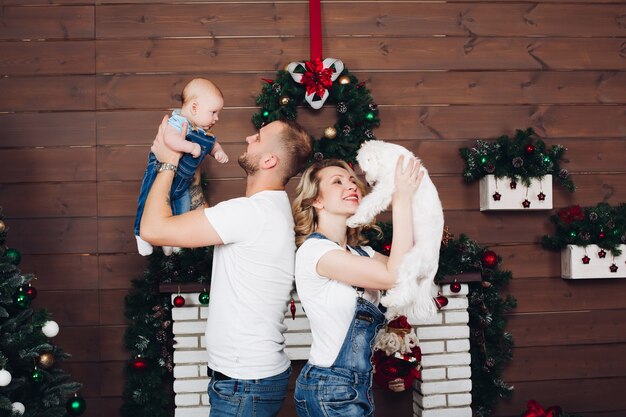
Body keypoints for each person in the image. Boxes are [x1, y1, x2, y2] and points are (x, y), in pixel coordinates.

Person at [140, 116, 313, 417]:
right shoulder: (268, 208)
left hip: (244, 384)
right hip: (250, 380)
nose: (248, 139)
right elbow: (204, 219)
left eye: (257, 138)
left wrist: (166, 163)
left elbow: (152, 229)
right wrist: (190, 173)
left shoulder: (251, 213)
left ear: (270, 160)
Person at [291, 157, 423, 417]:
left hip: (357, 385)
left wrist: (413, 203)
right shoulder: (314, 251)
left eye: (353, 181)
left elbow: (410, 272)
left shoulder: (361, 253)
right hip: (329, 388)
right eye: (337, 182)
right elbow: (392, 277)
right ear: (317, 200)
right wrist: (401, 201)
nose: (350, 186)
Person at [134, 78, 229, 256]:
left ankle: (173, 239)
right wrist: (190, 147)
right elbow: (170, 139)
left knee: (182, 207)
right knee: (147, 200)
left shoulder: (202, 130)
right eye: (213, 112)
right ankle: (140, 234)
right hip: (159, 171)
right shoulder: (178, 121)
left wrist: (218, 152)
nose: (217, 118)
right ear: (194, 107)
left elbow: (213, 143)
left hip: (183, 179)